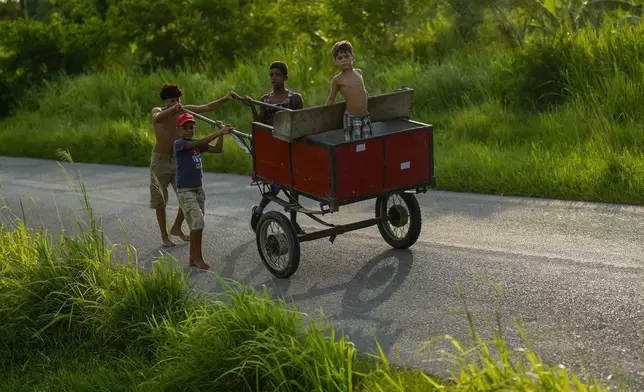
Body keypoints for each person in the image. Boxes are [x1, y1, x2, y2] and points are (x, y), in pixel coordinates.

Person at [150, 83, 235, 249]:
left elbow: (209, 107)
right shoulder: (158, 111)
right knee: (160, 201)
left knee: (186, 195)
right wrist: (173, 110)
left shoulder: (184, 110)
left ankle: (176, 228)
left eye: (178, 100)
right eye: (173, 100)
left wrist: (225, 98)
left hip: (178, 160)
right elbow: (157, 118)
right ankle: (164, 236)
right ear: (166, 101)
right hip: (159, 160)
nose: (177, 103)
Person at [240, 61, 305, 234]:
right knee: (276, 186)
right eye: (271, 75)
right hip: (273, 149)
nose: (274, 78)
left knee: (293, 186)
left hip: (290, 147)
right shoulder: (265, 100)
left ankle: (293, 221)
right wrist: (252, 107)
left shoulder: (294, 99)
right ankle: (260, 210)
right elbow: (259, 124)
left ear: (285, 77)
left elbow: (301, 122)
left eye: (277, 75)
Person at [174, 112, 232, 269]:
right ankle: (198, 258)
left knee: (195, 225)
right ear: (178, 129)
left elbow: (218, 149)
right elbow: (196, 145)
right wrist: (219, 131)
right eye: (185, 128)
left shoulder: (197, 143)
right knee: (198, 223)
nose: (189, 131)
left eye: (191, 127)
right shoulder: (179, 144)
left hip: (198, 190)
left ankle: (193, 258)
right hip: (185, 192)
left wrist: (222, 134)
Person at [325, 40, 373, 142]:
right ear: (335, 61)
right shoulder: (337, 79)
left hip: (365, 116)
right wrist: (325, 114)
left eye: (347, 56)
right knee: (355, 145)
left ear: (353, 58)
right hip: (352, 118)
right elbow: (332, 97)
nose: (344, 60)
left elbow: (363, 91)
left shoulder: (359, 72)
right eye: (340, 58)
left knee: (368, 143)